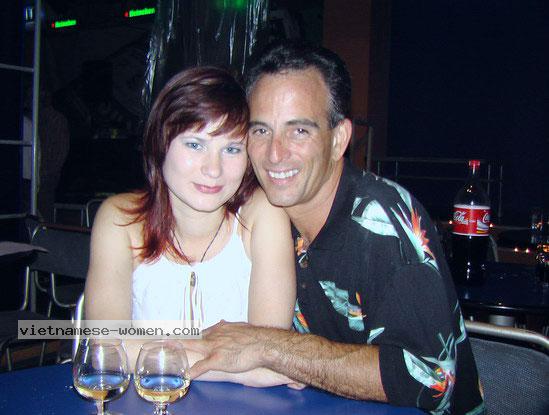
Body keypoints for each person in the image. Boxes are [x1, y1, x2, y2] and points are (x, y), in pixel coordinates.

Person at [182, 42, 486, 414]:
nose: (275, 153)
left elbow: (431, 381)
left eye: (299, 131)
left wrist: (269, 346)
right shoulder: (261, 216)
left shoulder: (383, 223)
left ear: (338, 139)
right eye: (260, 131)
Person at [84, 66, 296, 385]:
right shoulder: (120, 219)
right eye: (195, 144)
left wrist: (144, 353)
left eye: (231, 149)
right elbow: (107, 348)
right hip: (147, 403)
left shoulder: (263, 215)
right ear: (161, 142)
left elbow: (270, 353)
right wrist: (237, 364)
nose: (213, 169)